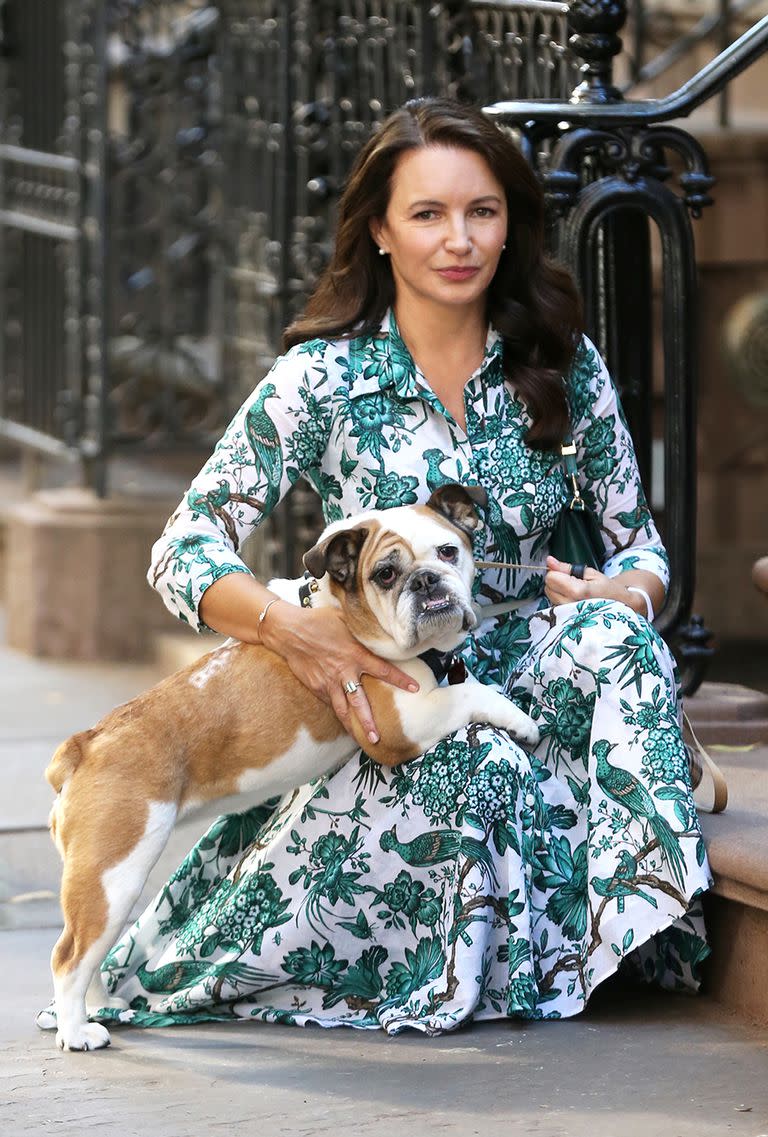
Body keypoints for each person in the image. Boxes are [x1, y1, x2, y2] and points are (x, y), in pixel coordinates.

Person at [84, 97, 712, 1033]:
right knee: (471, 753)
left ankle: (631, 925)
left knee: (614, 637)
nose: (458, 239)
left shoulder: (561, 365)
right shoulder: (321, 378)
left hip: (535, 671)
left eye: (482, 212)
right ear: (379, 230)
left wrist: (618, 591)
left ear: (511, 225)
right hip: (383, 699)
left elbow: (642, 548)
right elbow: (184, 546)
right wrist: (295, 630)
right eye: (427, 214)